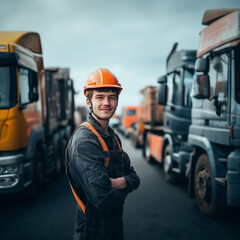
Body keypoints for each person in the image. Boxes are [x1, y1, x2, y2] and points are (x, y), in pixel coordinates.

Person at [66, 68, 140, 240]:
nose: (106, 102)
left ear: (116, 101)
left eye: (111, 97)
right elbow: (104, 199)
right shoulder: (85, 142)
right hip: (91, 232)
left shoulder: (112, 137)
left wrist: (121, 182)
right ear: (88, 101)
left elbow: (135, 177)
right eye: (100, 97)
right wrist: (127, 183)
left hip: (113, 228)